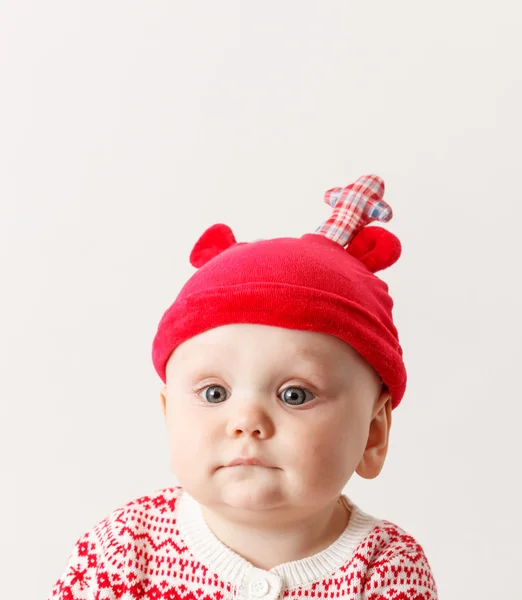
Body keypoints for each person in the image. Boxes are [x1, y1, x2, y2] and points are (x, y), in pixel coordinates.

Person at [47, 174, 438, 599]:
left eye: (295, 394)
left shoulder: (386, 569)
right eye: (214, 393)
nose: (246, 422)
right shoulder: (122, 550)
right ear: (168, 415)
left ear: (373, 432)